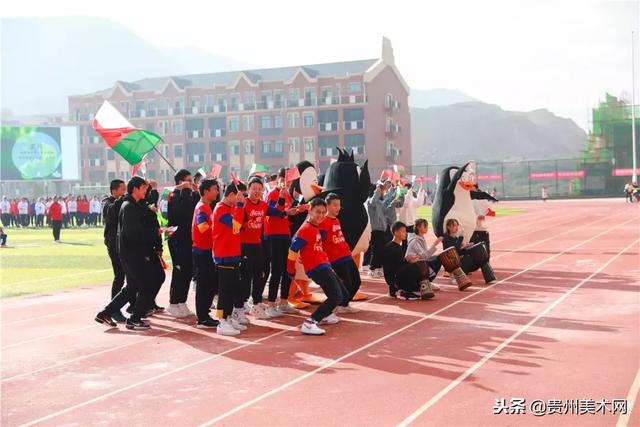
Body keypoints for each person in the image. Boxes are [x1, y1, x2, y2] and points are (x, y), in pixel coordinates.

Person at [95, 176, 165, 330]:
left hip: (136, 251)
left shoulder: (137, 205)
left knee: (133, 286)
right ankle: (135, 317)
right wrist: (156, 231)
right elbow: (133, 233)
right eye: (144, 188)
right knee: (145, 284)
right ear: (135, 189)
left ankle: (106, 313)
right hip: (132, 252)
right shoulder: (128, 207)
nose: (146, 191)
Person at [287, 198, 348, 335]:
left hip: (324, 265)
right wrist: (291, 269)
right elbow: (292, 250)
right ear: (310, 211)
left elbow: (316, 247)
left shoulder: (316, 227)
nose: (320, 215)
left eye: (323, 212)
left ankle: (325, 314)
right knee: (336, 296)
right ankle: (310, 322)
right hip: (316, 268)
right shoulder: (305, 230)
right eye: (317, 212)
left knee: (343, 294)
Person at [263, 168, 300, 316]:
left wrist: (295, 211)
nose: (287, 182)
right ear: (278, 178)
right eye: (284, 179)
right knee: (276, 270)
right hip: (274, 236)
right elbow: (273, 212)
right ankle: (271, 304)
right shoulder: (272, 194)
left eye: (290, 180)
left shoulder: (288, 195)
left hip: (286, 235)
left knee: (288, 270)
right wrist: (282, 200)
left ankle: (284, 302)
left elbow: (286, 214)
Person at [212, 181, 247, 336]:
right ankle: (221, 321)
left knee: (232, 288)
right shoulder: (220, 209)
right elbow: (236, 226)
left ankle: (228, 316)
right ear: (232, 195)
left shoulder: (231, 208)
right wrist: (240, 206)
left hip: (233, 253)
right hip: (223, 255)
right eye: (239, 196)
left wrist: (239, 207)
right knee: (224, 290)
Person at [166, 169, 200, 318]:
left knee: (187, 270)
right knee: (180, 270)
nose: (191, 183)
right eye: (188, 180)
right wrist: (185, 191)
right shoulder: (173, 196)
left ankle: (181, 301)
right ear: (180, 182)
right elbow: (183, 213)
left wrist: (196, 192)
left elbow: (196, 208)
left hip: (188, 238)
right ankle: (173, 302)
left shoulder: (190, 195)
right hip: (177, 238)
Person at [320, 193, 361, 313]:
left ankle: (344, 303)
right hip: (336, 259)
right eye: (334, 205)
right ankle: (339, 304)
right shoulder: (323, 222)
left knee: (356, 281)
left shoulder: (337, 220)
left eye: (339, 205)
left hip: (346, 255)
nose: (337, 208)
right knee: (346, 282)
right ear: (327, 206)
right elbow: (320, 242)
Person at [240, 177, 271, 319]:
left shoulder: (263, 205)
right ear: (248, 189)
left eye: (260, 189)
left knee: (260, 274)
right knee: (246, 277)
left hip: (258, 245)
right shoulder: (243, 204)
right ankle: (242, 304)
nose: (257, 192)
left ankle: (257, 303)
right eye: (254, 189)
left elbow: (278, 212)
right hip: (244, 246)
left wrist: (289, 211)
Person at [192, 178, 220, 329]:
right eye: (214, 189)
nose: (217, 192)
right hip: (202, 251)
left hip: (207, 249)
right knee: (204, 284)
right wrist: (218, 228)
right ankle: (202, 317)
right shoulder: (202, 208)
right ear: (206, 191)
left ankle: (204, 314)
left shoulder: (207, 207)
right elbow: (202, 227)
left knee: (210, 283)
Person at [102, 179, 131, 323]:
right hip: (114, 244)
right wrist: (122, 200)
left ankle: (131, 305)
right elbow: (110, 213)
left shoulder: (122, 201)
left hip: (124, 243)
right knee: (119, 276)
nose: (124, 193)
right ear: (114, 191)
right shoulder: (107, 202)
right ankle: (114, 310)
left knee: (130, 276)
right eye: (122, 190)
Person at [383, 221, 435, 300]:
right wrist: (393, 283)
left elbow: (399, 264)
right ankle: (405, 292)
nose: (406, 233)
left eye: (405, 231)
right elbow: (391, 268)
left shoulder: (398, 247)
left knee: (417, 264)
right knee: (414, 266)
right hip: (394, 279)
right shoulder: (390, 247)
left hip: (396, 276)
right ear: (396, 232)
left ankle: (407, 288)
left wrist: (408, 259)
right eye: (403, 231)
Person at [366, 181, 403, 278]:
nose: (382, 192)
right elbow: (373, 201)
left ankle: (378, 268)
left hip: (382, 229)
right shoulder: (371, 202)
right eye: (380, 190)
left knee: (382, 250)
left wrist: (392, 203)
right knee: (376, 250)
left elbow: (386, 211)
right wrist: (378, 189)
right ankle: (372, 269)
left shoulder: (380, 202)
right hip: (375, 230)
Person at [406, 218, 443, 290]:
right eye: (424, 226)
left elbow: (425, 255)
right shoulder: (415, 241)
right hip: (413, 266)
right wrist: (435, 244)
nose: (426, 227)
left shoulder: (420, 238)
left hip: (419, 262)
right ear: (418, 227)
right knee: (437, 259)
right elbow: (424, 256)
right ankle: (425, 282)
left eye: (427, 225)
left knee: (437, 258)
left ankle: (428, 281)